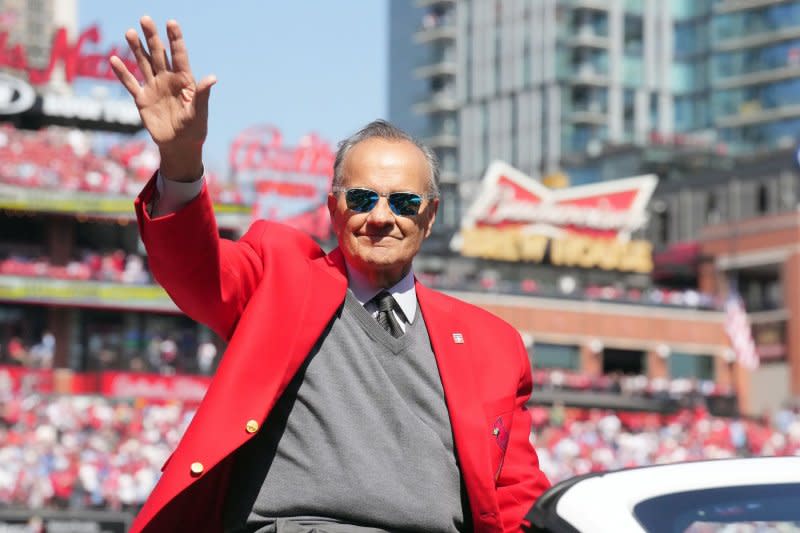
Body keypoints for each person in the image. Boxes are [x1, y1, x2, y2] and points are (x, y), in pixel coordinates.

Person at [110, 16, 550, 533]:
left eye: (404, 202)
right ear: (334, 210)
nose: (381, 217)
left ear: (429, 218)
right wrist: (180, 161)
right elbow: (196, 271)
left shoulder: (493, 344)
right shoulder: (280, 272)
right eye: (362, 198)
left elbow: (519, 503)